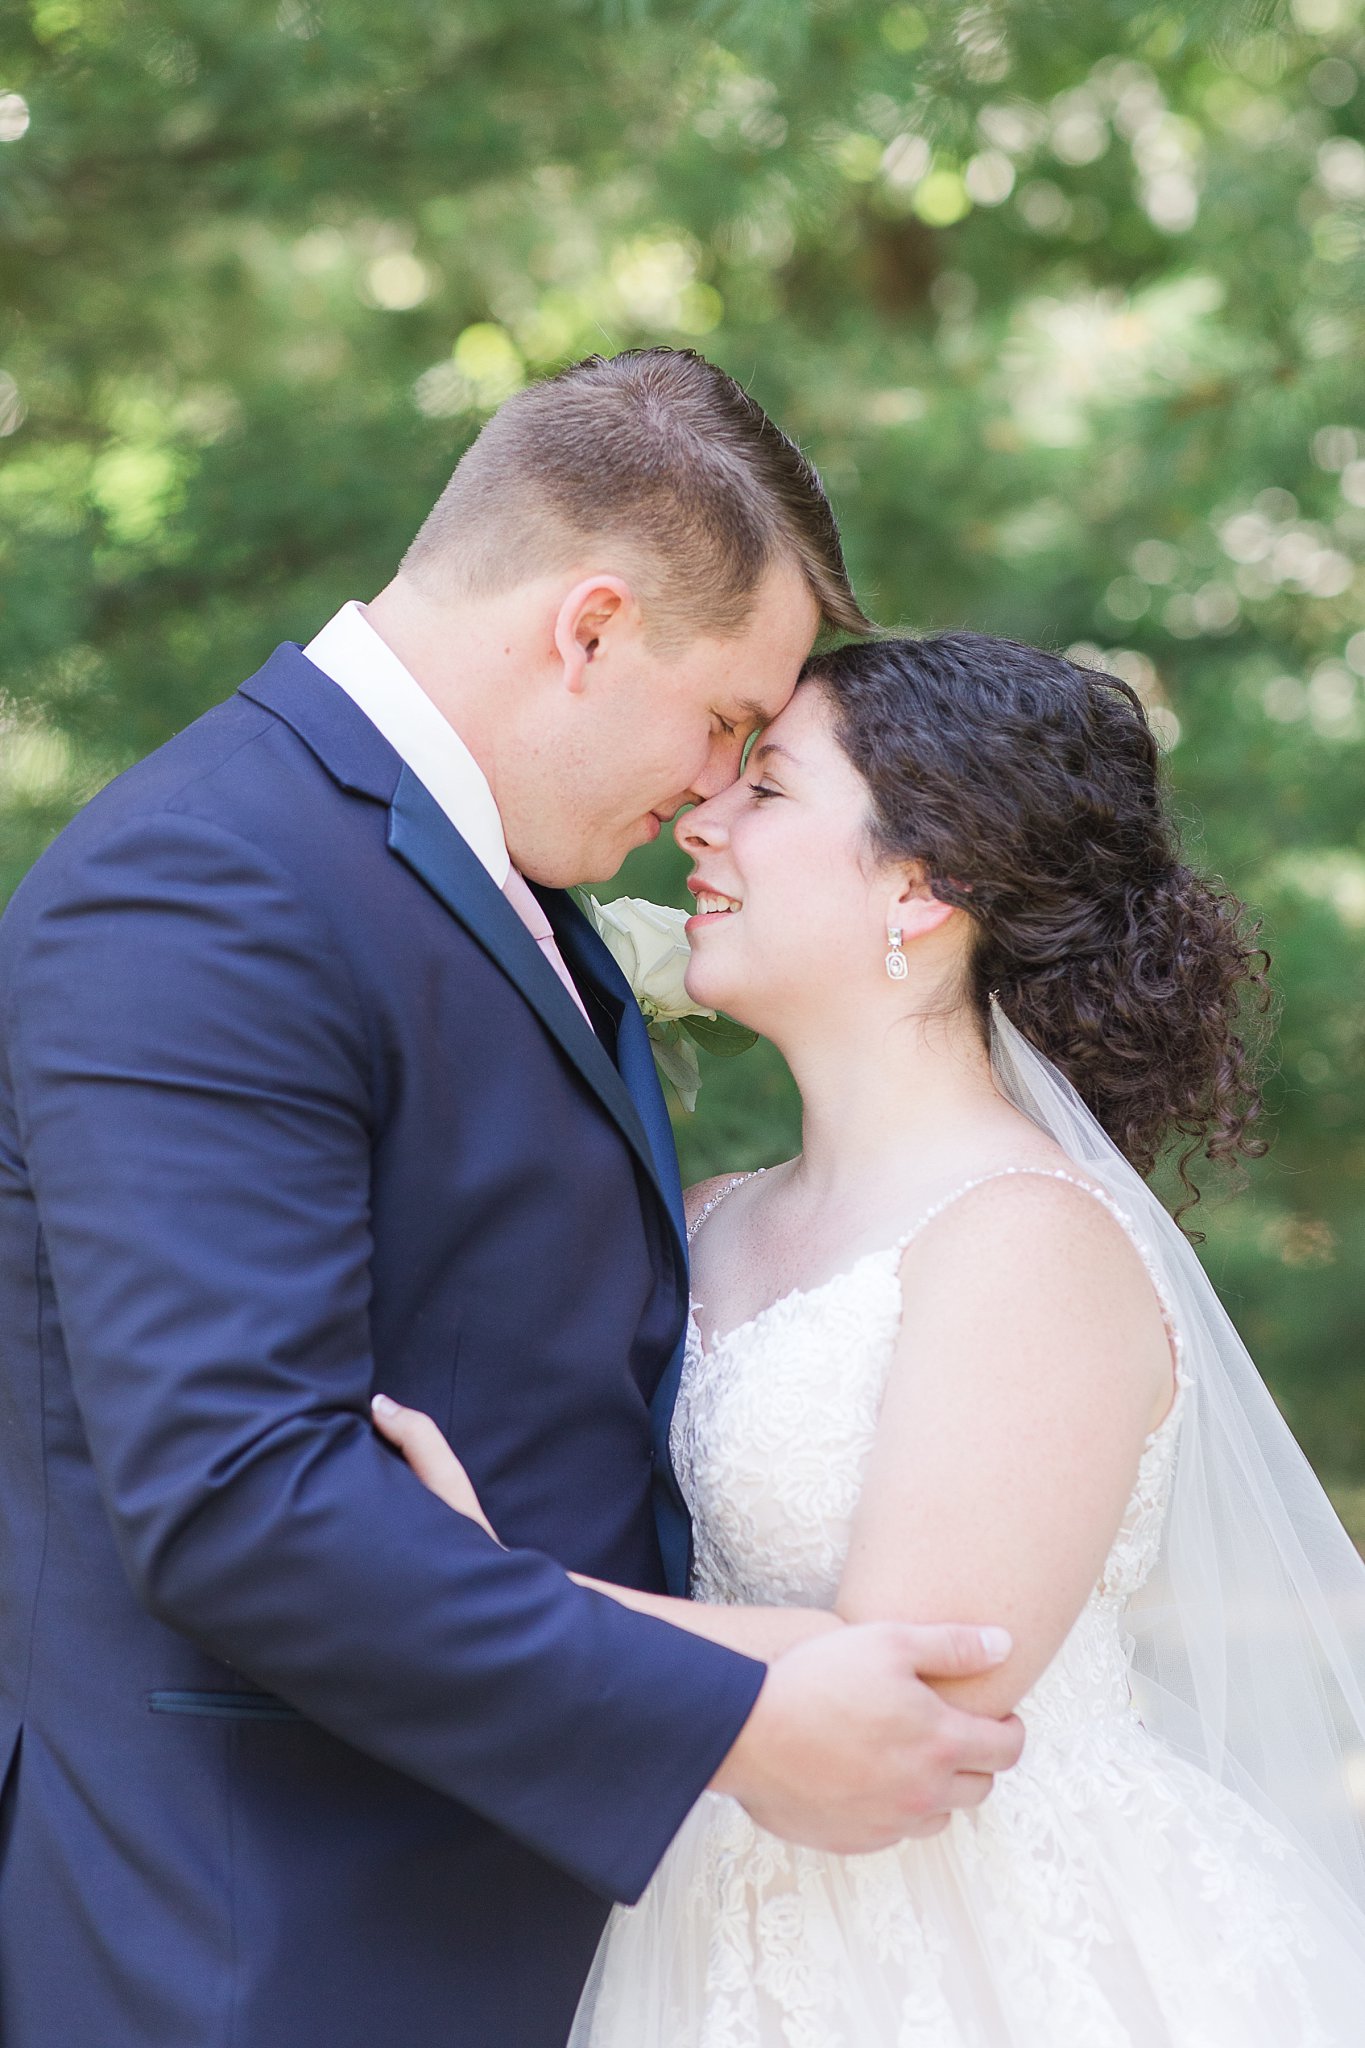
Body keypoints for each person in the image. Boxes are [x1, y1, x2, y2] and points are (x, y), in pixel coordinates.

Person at [0, 353, 1025, 2048]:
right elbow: (236, 1496)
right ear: (588, 626)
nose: (713, 789)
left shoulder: (474, 866)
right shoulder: (203, 883)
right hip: (256, 1934)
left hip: (488, 1909)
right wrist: (730, 1716)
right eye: (722, 723)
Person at [378, 632, 1365, 2045]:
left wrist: (476, 1591)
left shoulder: (1027, 1238)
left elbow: (924, 1696)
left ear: (922, 883)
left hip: (977, 1955)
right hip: (696, 1914)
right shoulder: (706, 1216)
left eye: (766, 789)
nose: (699, 817)